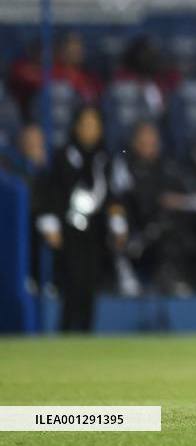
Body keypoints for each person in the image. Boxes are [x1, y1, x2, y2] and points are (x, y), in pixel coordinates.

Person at [34, 106, 128, 332]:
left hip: (96, 231)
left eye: (94, 126)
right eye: (85, 125)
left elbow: (113, 196)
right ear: (76, 127)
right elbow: (50, 191)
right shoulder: (62, 156)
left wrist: (117, 224)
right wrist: (49, 222)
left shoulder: (105, 158)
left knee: (91, 284)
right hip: (69, 230)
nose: (90, 130)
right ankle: (66, 330)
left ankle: (86, 332)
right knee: (72, 283)